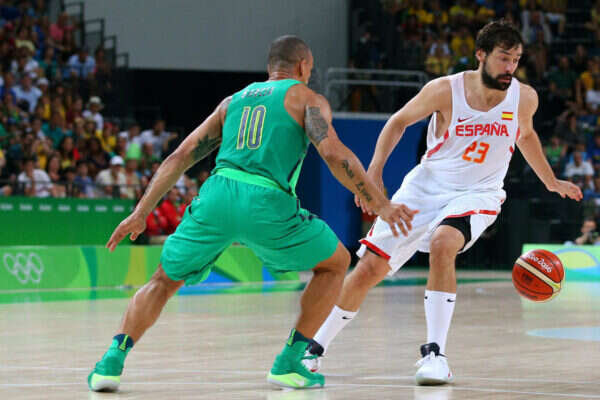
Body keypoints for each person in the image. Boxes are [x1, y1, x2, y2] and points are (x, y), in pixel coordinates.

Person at [87, 35, 415, 392]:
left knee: (163, 280)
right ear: (303, 66)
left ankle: (110, 363)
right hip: (266, 200)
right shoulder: (307, 99)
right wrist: (380, 203)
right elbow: (334, 154)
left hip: (218, 194)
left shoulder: (232, 102)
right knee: (336, 263)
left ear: (270, 67)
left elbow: (180, 156)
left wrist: (140, 212)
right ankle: (289, 362)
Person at [303, 19, 583, 385]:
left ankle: (435, 354)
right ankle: (314, 349)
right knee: (369, 269)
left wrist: (550, 181)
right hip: (426, 187)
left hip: (478, 192)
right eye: (503, 58)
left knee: (443, 243)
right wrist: (374, 172)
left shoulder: (524, 97)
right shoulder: (445, 90)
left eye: (516, 59)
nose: (510, 67)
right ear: (481, 55)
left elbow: (525, 135)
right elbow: (398, 122)